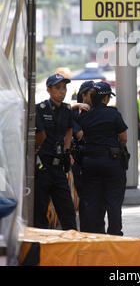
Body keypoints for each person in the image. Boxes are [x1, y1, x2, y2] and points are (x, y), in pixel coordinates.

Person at [74, 81, 128, 235]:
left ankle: (96, 234)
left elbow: (79, 133)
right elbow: (123, 137)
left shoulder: (85, 115)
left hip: (90, 163)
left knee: (93, 202)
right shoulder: (113, 114)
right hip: (111, 162)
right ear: (106, 99)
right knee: (113, 202)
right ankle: (115, 234)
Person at [34, 73, 77, 230]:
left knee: (67, 211)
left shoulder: (67, 110)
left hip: (59, 167)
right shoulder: (40, 109)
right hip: (43, 167)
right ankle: (40, 249)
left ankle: (72, 247)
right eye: (58, 88)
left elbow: (69, 129)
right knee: (40, 211)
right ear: (48, 90)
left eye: (64, 87)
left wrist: (67, 150)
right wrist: (37, 150)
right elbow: (39, 135)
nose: (62, 91)